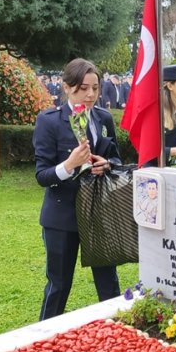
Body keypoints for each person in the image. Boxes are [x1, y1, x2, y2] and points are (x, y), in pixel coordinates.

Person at [32, 58, 121, 321]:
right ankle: (43, 337)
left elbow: (115, 157)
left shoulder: (103, 117)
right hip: (62, 216)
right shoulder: (49, 121)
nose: (91, 94)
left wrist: (108, 164)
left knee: (108, 284)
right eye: (84, 88)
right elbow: (42, 175)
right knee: (59, 285)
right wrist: (69, 165)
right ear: (68, 87)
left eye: (95, 87)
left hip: (98, 212)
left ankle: (119, 333)